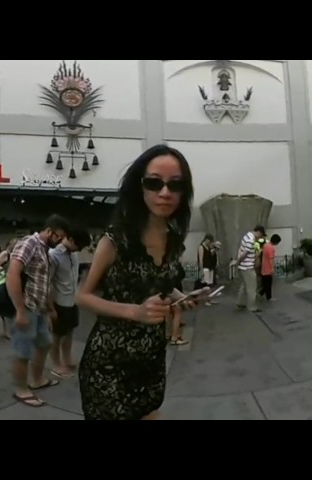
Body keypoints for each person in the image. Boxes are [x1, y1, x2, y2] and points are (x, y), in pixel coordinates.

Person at [77, 144, 203, 421]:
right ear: (140, 187)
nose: (165, 192)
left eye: (176, 185)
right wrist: (135, 311)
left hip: (152, 360)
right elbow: (83, 296)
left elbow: (161, 284)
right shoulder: (116, 239)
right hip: (109, 363)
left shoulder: (173, 238)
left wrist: (182, 297)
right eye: (154, 183)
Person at [6, 214, 70, 408]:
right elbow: (12, 274)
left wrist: (49, 309)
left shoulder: (44, 250)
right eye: (59, 236)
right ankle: (21, 389)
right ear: (49, 231)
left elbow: (44, 282)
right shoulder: (30, 243)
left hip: (39, 309)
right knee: (23, 350)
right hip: (26, 306)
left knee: (45, 343)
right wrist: (20, 310)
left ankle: (36, 379)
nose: (60, 241)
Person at [47, 225, 92, 378]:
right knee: (57, 336)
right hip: (59, 302)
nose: (79, 250)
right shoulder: (53, 255)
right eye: (78, 246)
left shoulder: (73, 255)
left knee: (69, 332)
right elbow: (49, 283)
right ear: (71, 239)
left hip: (72, 300)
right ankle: (56, 364)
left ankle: (67, 359)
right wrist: (50, 308)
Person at [233, 225, 266, 313]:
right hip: (247, 267)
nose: (260, 238)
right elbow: (245, 253)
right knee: (252, 287)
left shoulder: (247, 235)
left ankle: (239, 302)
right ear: (259, 232)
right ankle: (252, 307)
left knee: (244, 285)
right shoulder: (251, 240)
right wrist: (237, 261)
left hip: (243, 267)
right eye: (261, 235)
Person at [0, 238, 19, 340]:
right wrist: (6, 271)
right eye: (15, 244)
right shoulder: (5, 254)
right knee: (7, 305)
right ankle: (6, 331)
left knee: (8, 305)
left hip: (9, 281)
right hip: (3, 281)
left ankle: (5, 330)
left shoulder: (13, 255)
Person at [260, 234, 281, 302]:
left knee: (265, 283)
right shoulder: (271, 248)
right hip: (268, 268)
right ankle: (269, 297)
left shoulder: (265, 245)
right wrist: (272, 268)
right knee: (268, 284)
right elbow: (271, 259)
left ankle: (261, 293)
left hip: (263, 267)